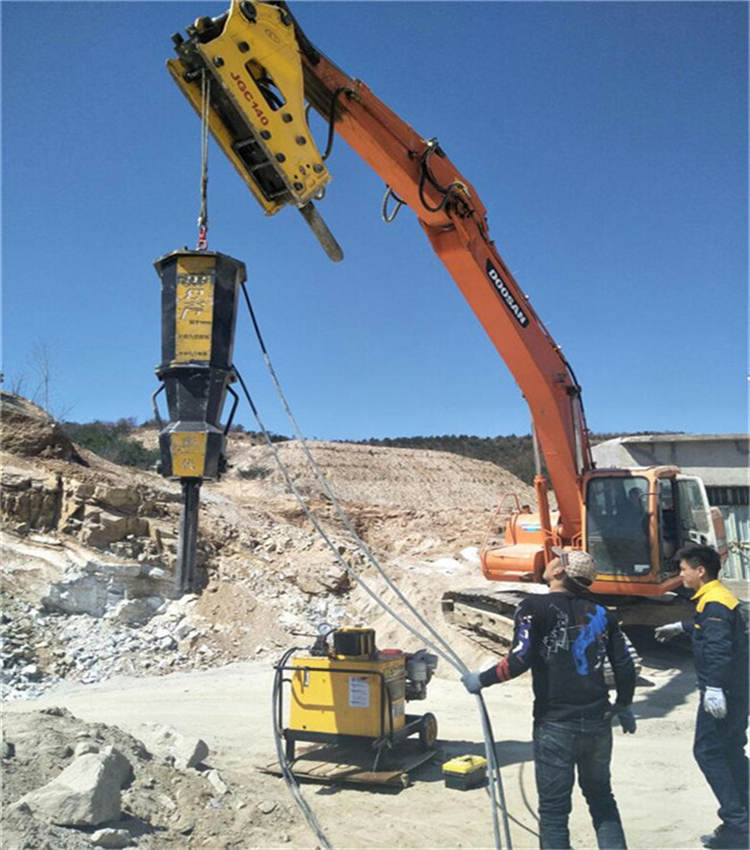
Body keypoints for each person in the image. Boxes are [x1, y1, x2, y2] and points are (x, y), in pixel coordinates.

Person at [462, 550, 636, 850]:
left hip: (555, 723)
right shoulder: (602, 613)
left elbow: (519, 659)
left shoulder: (533, 607)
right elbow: (624, 664)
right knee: (601, 798)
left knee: (554, 813)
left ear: (559, 573)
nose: (549, 561)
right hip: (598, 722)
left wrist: (482, 679)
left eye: (556, 560)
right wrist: (624, 703)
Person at [655, 544, 749, 850]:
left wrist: (714, 688)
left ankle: (738, 824)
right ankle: (744, 818)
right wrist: (682, 626)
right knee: (731, 749)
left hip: (725, 691)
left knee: (708, 751)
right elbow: (712, 631)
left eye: (683, 569)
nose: (680, 575)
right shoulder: (716, 598)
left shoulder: (715, 604)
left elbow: (719, 649)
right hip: (738, 688)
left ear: (700, 571)